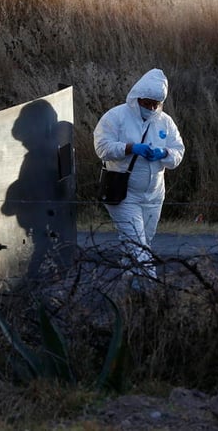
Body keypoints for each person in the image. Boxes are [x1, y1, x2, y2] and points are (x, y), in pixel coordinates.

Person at [93, 69, 185, 289]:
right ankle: (151, 292)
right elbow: (102, 148)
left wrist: (164, 154)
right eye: (147, 102)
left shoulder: (165, 122)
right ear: (137, 98)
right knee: (138, 247)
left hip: (154, 195)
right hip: (124, 194)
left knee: (140, 244)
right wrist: (130, 148)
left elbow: (178, 151)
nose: (151, 108)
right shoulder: (116, 117)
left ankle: (129, 294)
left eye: (155, 104)